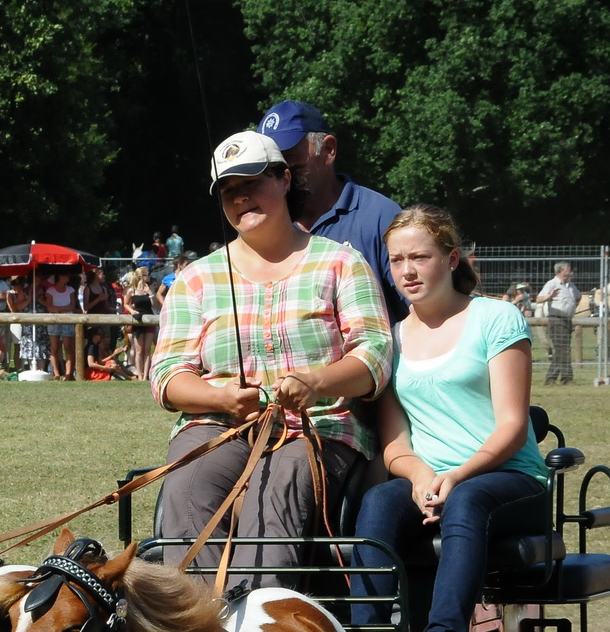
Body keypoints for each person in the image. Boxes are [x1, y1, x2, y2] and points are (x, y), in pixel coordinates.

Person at [152, 130, 391, 586]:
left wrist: (317, 383)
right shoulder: (196, 279)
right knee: (186, 491)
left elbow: (375, 354)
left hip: (317, 427)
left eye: (252, 182)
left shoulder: (341, 263)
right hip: (217, 426)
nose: (241, 198)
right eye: (228, 191)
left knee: (274, 491)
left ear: (284, 180)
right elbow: (166, 375)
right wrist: (218, 397)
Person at [349, 204, 546, 632]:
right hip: (432, 481)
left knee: (468, 499)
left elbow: (513, 427)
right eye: (397, 260)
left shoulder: (496, 318)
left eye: (419, 257)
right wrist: (420, 476)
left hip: (509, 479)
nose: (407, 270)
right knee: (378, 502)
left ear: (452, 259)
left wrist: (455, 476)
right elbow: (395, 443)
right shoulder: (391, 340)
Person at [258, 99, 406, 319]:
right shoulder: (263, 227)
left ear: (328, 149)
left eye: (289, 157)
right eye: (271, 162)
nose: (282, 171)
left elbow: (424, 310)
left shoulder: (380, 218)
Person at [534, 263, 579, 384]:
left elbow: (578, 297)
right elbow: (539, 299)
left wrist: (572, 308)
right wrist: (550, 296)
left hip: (567, 320)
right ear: (561, 271)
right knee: (563, 349)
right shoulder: (552, 284)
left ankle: (551, 378)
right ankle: (567, 378)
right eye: (568, 269)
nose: (571, 271)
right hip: (556, 319)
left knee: (562, 350)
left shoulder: (571, 285)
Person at [124, 266, 157, 379]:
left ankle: (146, 375)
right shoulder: (132, 290)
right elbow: (126, 303)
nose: (148, 276)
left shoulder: (149, 288)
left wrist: (150, 293)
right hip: (138, 321)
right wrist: (132, 311)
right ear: (141, 276)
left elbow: (154, 305)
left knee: (147, 350)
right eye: (146, 274)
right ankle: (139, 374)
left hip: (149, 319)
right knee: (139, 350)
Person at [43, 270, 77, 378]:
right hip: (54, 320)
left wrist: (58, 309)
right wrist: (63, 309)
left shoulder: (70, 290)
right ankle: (56, 373)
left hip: (68, 319)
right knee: (54, 347)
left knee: (68, 347)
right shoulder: (51, 290)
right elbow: (49, 307)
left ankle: (68, 374)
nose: (67, 276)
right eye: (65, 274)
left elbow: (72, 306)